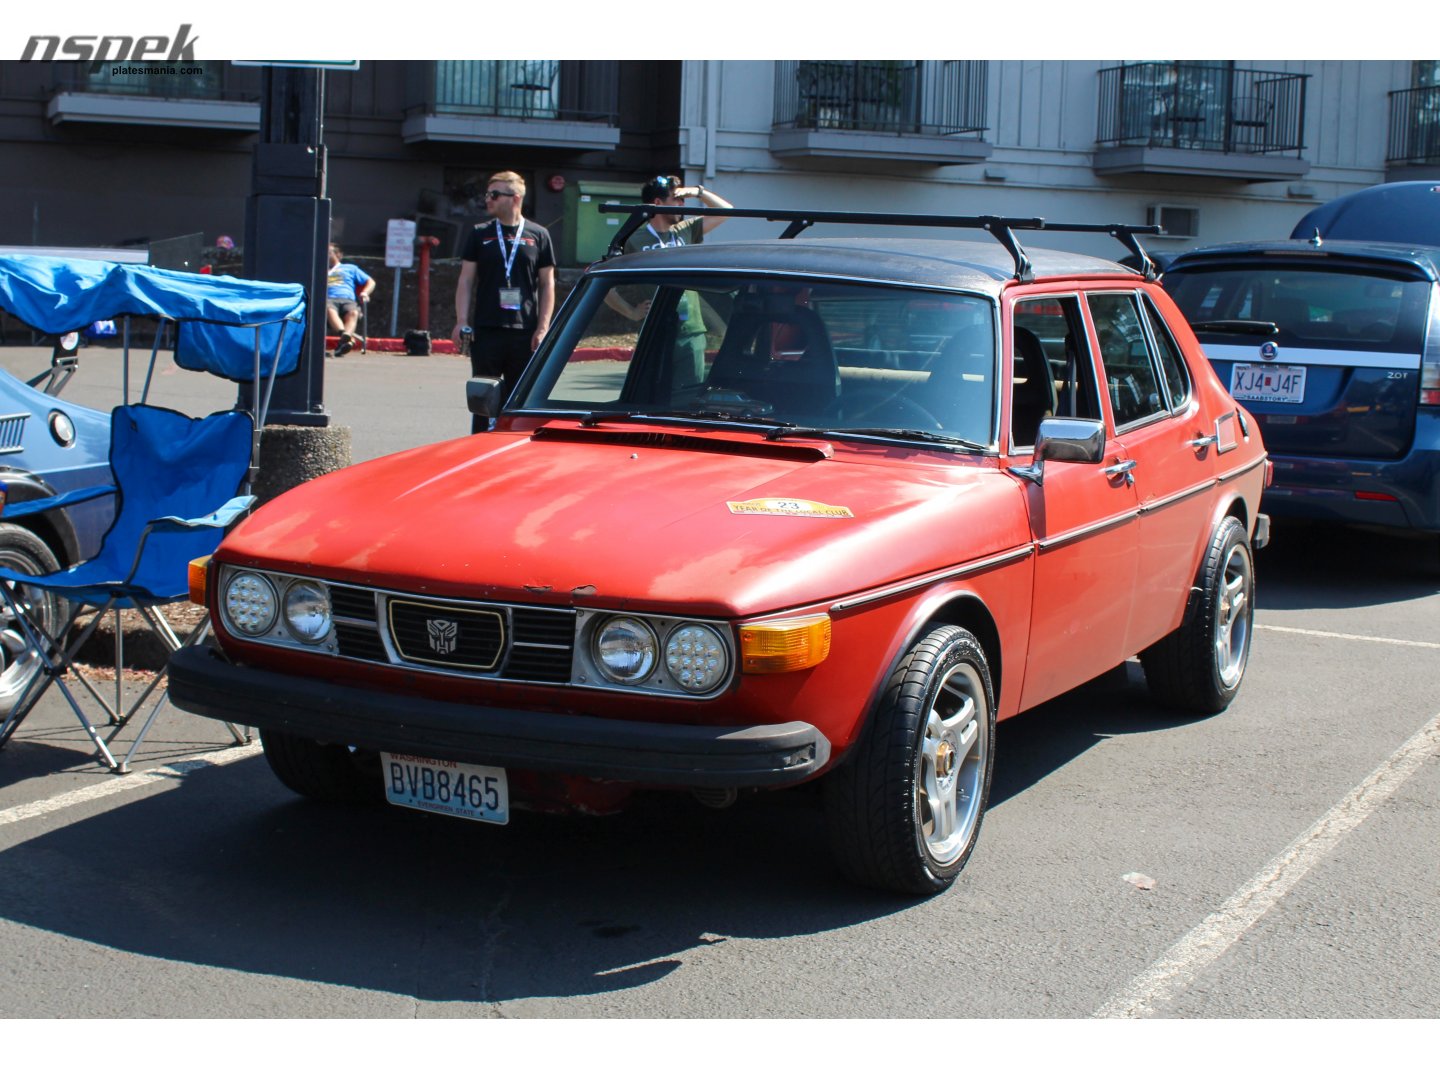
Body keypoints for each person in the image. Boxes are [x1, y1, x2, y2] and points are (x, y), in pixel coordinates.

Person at [605, 175, 733, 387]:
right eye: (676, 199)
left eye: (683, 200)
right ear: (657, 203)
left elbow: (726, 210)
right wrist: (631, 311)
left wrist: (697, 192)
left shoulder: (686, 230)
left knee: (688, 396)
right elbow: (604, 282)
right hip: (656, 331)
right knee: (652, 394)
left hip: (691, 331)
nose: (682, 205)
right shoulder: (634, 239)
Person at [453, 171, 556, 432]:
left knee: (518, 397)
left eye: (495, 194)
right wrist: (461, 321)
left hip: (525, 331)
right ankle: (479, 444)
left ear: (515, 198)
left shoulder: (538, 234)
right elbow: (465, 280)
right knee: (483, 395)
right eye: (488, 194)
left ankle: (511, 444)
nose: (488, 199)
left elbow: (547, 284)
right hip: (487, 329)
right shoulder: (479, 234)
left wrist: (543, 328)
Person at [325, 244, 375, 357]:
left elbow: (370, 282)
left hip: (347, 299)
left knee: (353, 312)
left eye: (329, 253)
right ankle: (346, 337)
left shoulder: (350, 268)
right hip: (329, 299)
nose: (326, 255)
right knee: (329, 308)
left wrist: (365, 293)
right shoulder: (320, 269)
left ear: (338, 255)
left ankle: (346, 338)